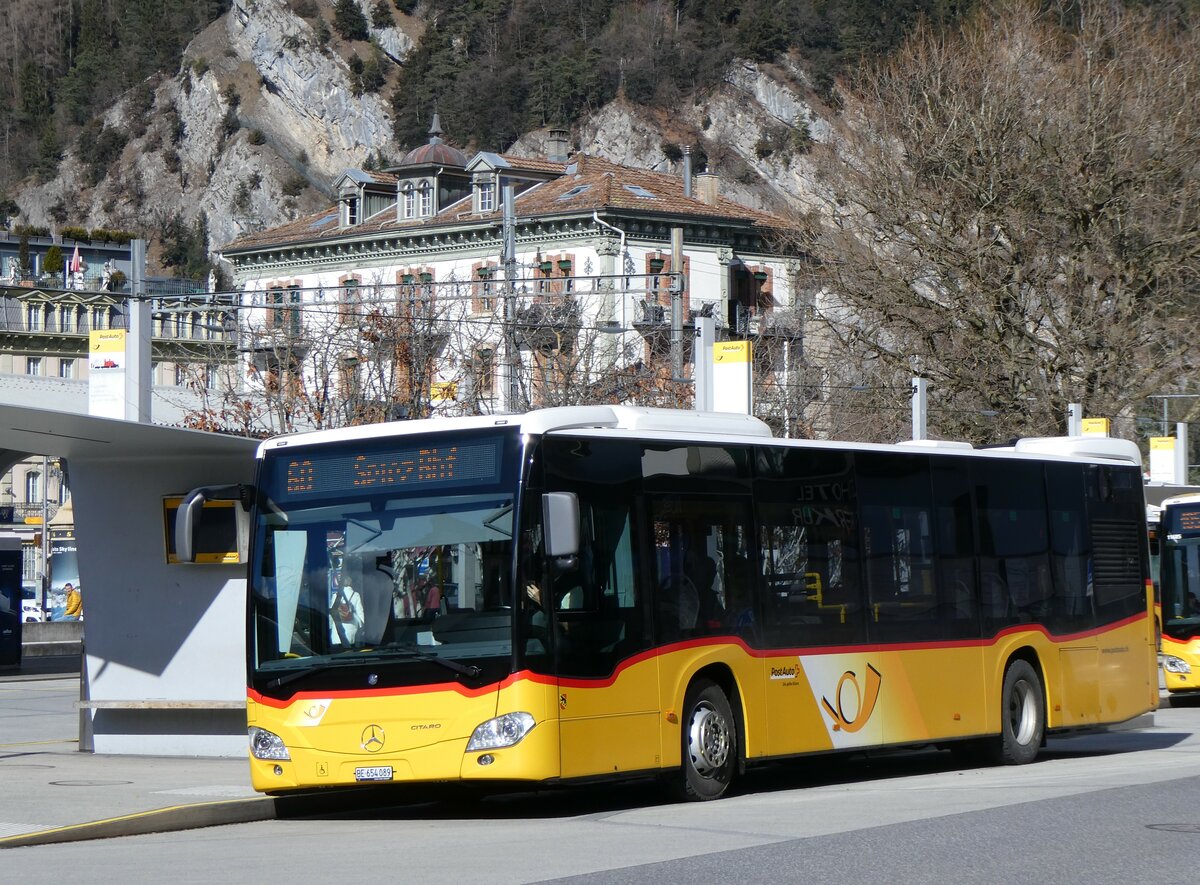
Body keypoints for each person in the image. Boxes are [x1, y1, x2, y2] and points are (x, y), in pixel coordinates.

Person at [329, 581, 364, 646]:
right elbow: (360, 612)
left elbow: (332, 613)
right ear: (351, 583)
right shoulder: (356, 595)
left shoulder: (335, 595)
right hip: (351, 630)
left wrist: (331, 626)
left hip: (337, 633)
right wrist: (362, 627)